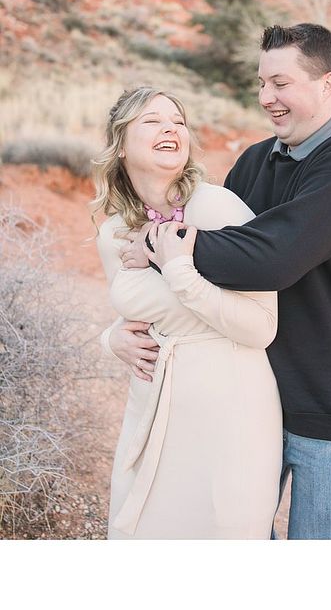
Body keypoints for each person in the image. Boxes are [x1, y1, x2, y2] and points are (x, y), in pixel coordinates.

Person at [110, 23, 331, 539]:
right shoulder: (255, 161)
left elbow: (273, 257)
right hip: (258, 398)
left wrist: (163, 243)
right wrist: (114, 333)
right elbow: (214, 274)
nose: (267, 98)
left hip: (330, 404)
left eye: (280, 84)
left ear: (327, 84)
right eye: (262, 84)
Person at [93, 87, 280, 538]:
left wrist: (177, 266)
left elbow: (262, 328)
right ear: (121, 144)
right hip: (153, 407)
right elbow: (142, 309)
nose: (170, 128)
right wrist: (112, 337)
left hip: (231, 409)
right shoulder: (114, 232)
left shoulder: (219, 208)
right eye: (152, 120)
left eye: (177, 120)